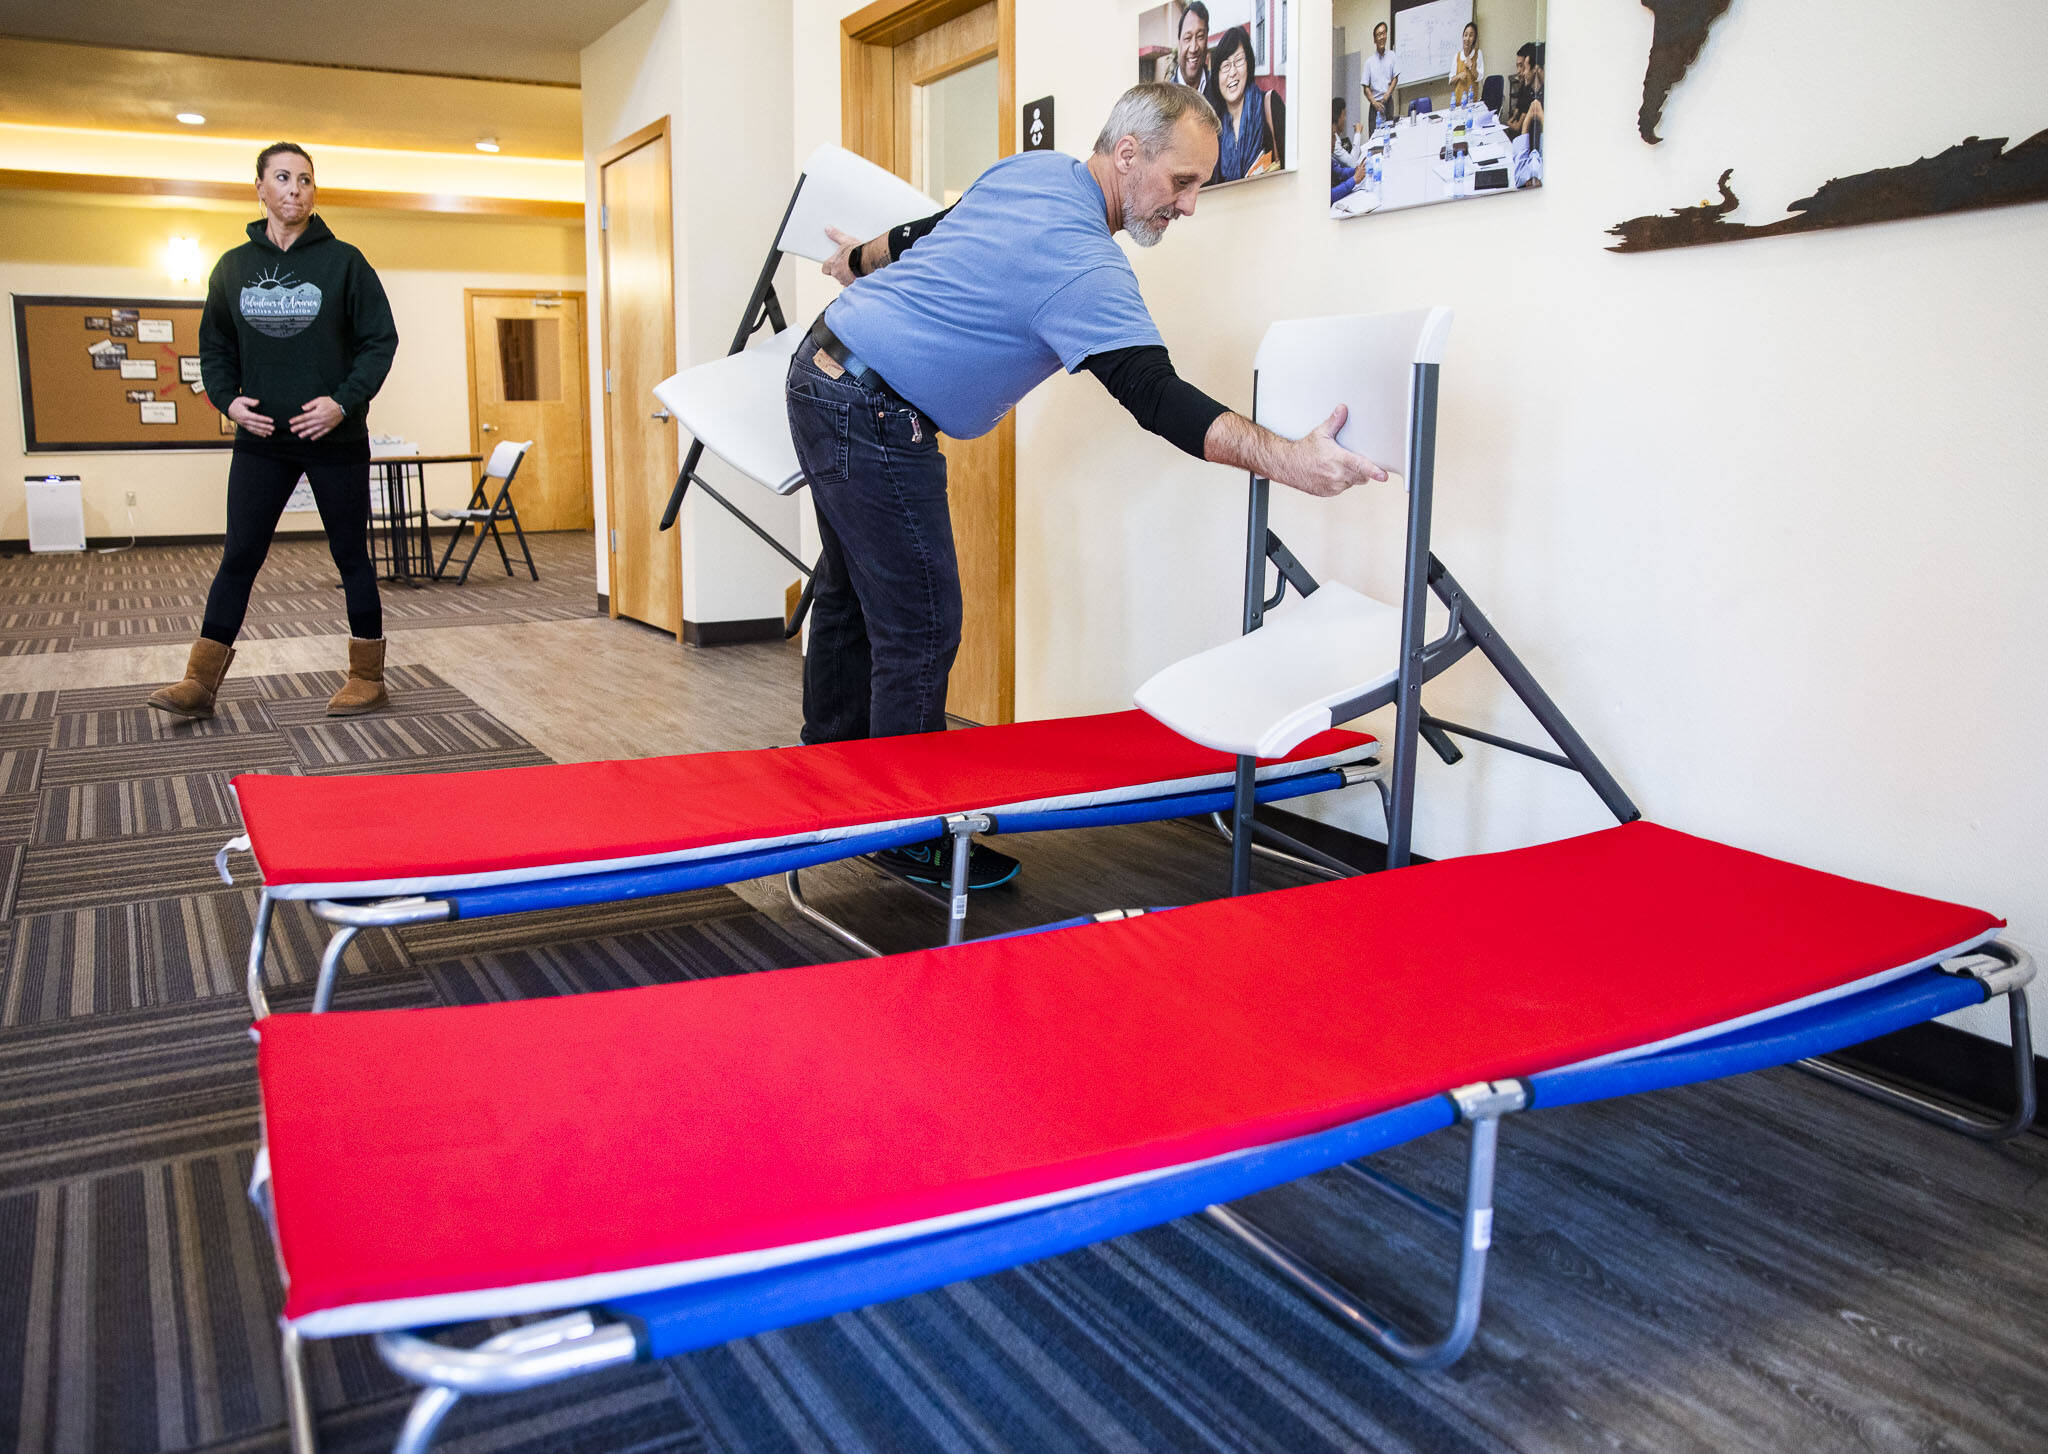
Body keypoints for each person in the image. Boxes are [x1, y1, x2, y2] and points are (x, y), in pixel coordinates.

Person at [793, 84, 1388, 889]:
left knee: (850, 593)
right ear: (1129, 153)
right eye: (1183, 182)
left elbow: (933, 230)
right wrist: (1293, 459)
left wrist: (856, 259)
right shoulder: (1084, 263)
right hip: (868, 408)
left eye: (1199, 188)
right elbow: (1158, 398)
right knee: (921, 625)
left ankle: (822, 783)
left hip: (822, 377)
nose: (1189, 206)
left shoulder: (1034, 170)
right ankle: (904, 831)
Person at [152, 142, 398, 721]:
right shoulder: (232, 267)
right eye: (283, 178)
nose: (295, 188)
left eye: (306, 180)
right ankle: (199, 682)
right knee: (239, 554)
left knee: (350, 556)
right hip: (261, 440)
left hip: (333, 439)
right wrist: (228, 402)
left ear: (315, 192)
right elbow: (213, 347)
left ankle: (368, 676)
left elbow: (378, 342)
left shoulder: (345, 262)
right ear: (259, 188)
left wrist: (341, 404)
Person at [1204, 25, 1286, 183]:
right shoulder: (1214, 128)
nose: (1232, 72)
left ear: (1249, 64)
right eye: (1225, 66)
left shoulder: (1270, 105)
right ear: (1216, 76)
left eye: (1239, 61)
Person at [1362, 20, 1400, 136]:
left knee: (1389, 133)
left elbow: (1395, 77)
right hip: (1375, 105)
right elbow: (1365, 86)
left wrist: (1388, 93)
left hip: (1388, 102)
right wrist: (1374, 102)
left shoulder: (1392, 56)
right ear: (1374, 39)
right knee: (1374, 136)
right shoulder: (1369, 62)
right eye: (1378, 35)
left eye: (1383, 33)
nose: (1381, 37)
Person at [1164, 2, 1210, 92]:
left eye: (1200, 36)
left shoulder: (1220, 90)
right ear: (1179, 42)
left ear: (1207, 40)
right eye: (1187, 38)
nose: (1193, 48)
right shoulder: (1166, 97)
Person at [1451, 21, 1485, 108]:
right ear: (1462, 37)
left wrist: (1471, 67)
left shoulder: (1478, 53)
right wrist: (1459, 76)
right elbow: (1450, 80)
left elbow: (1479, 77)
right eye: (1465, 35)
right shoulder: (1457, 56)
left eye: (1471, 35)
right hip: (1458, 102)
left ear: (1474, 39)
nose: (1467, 38)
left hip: (1472, 102)